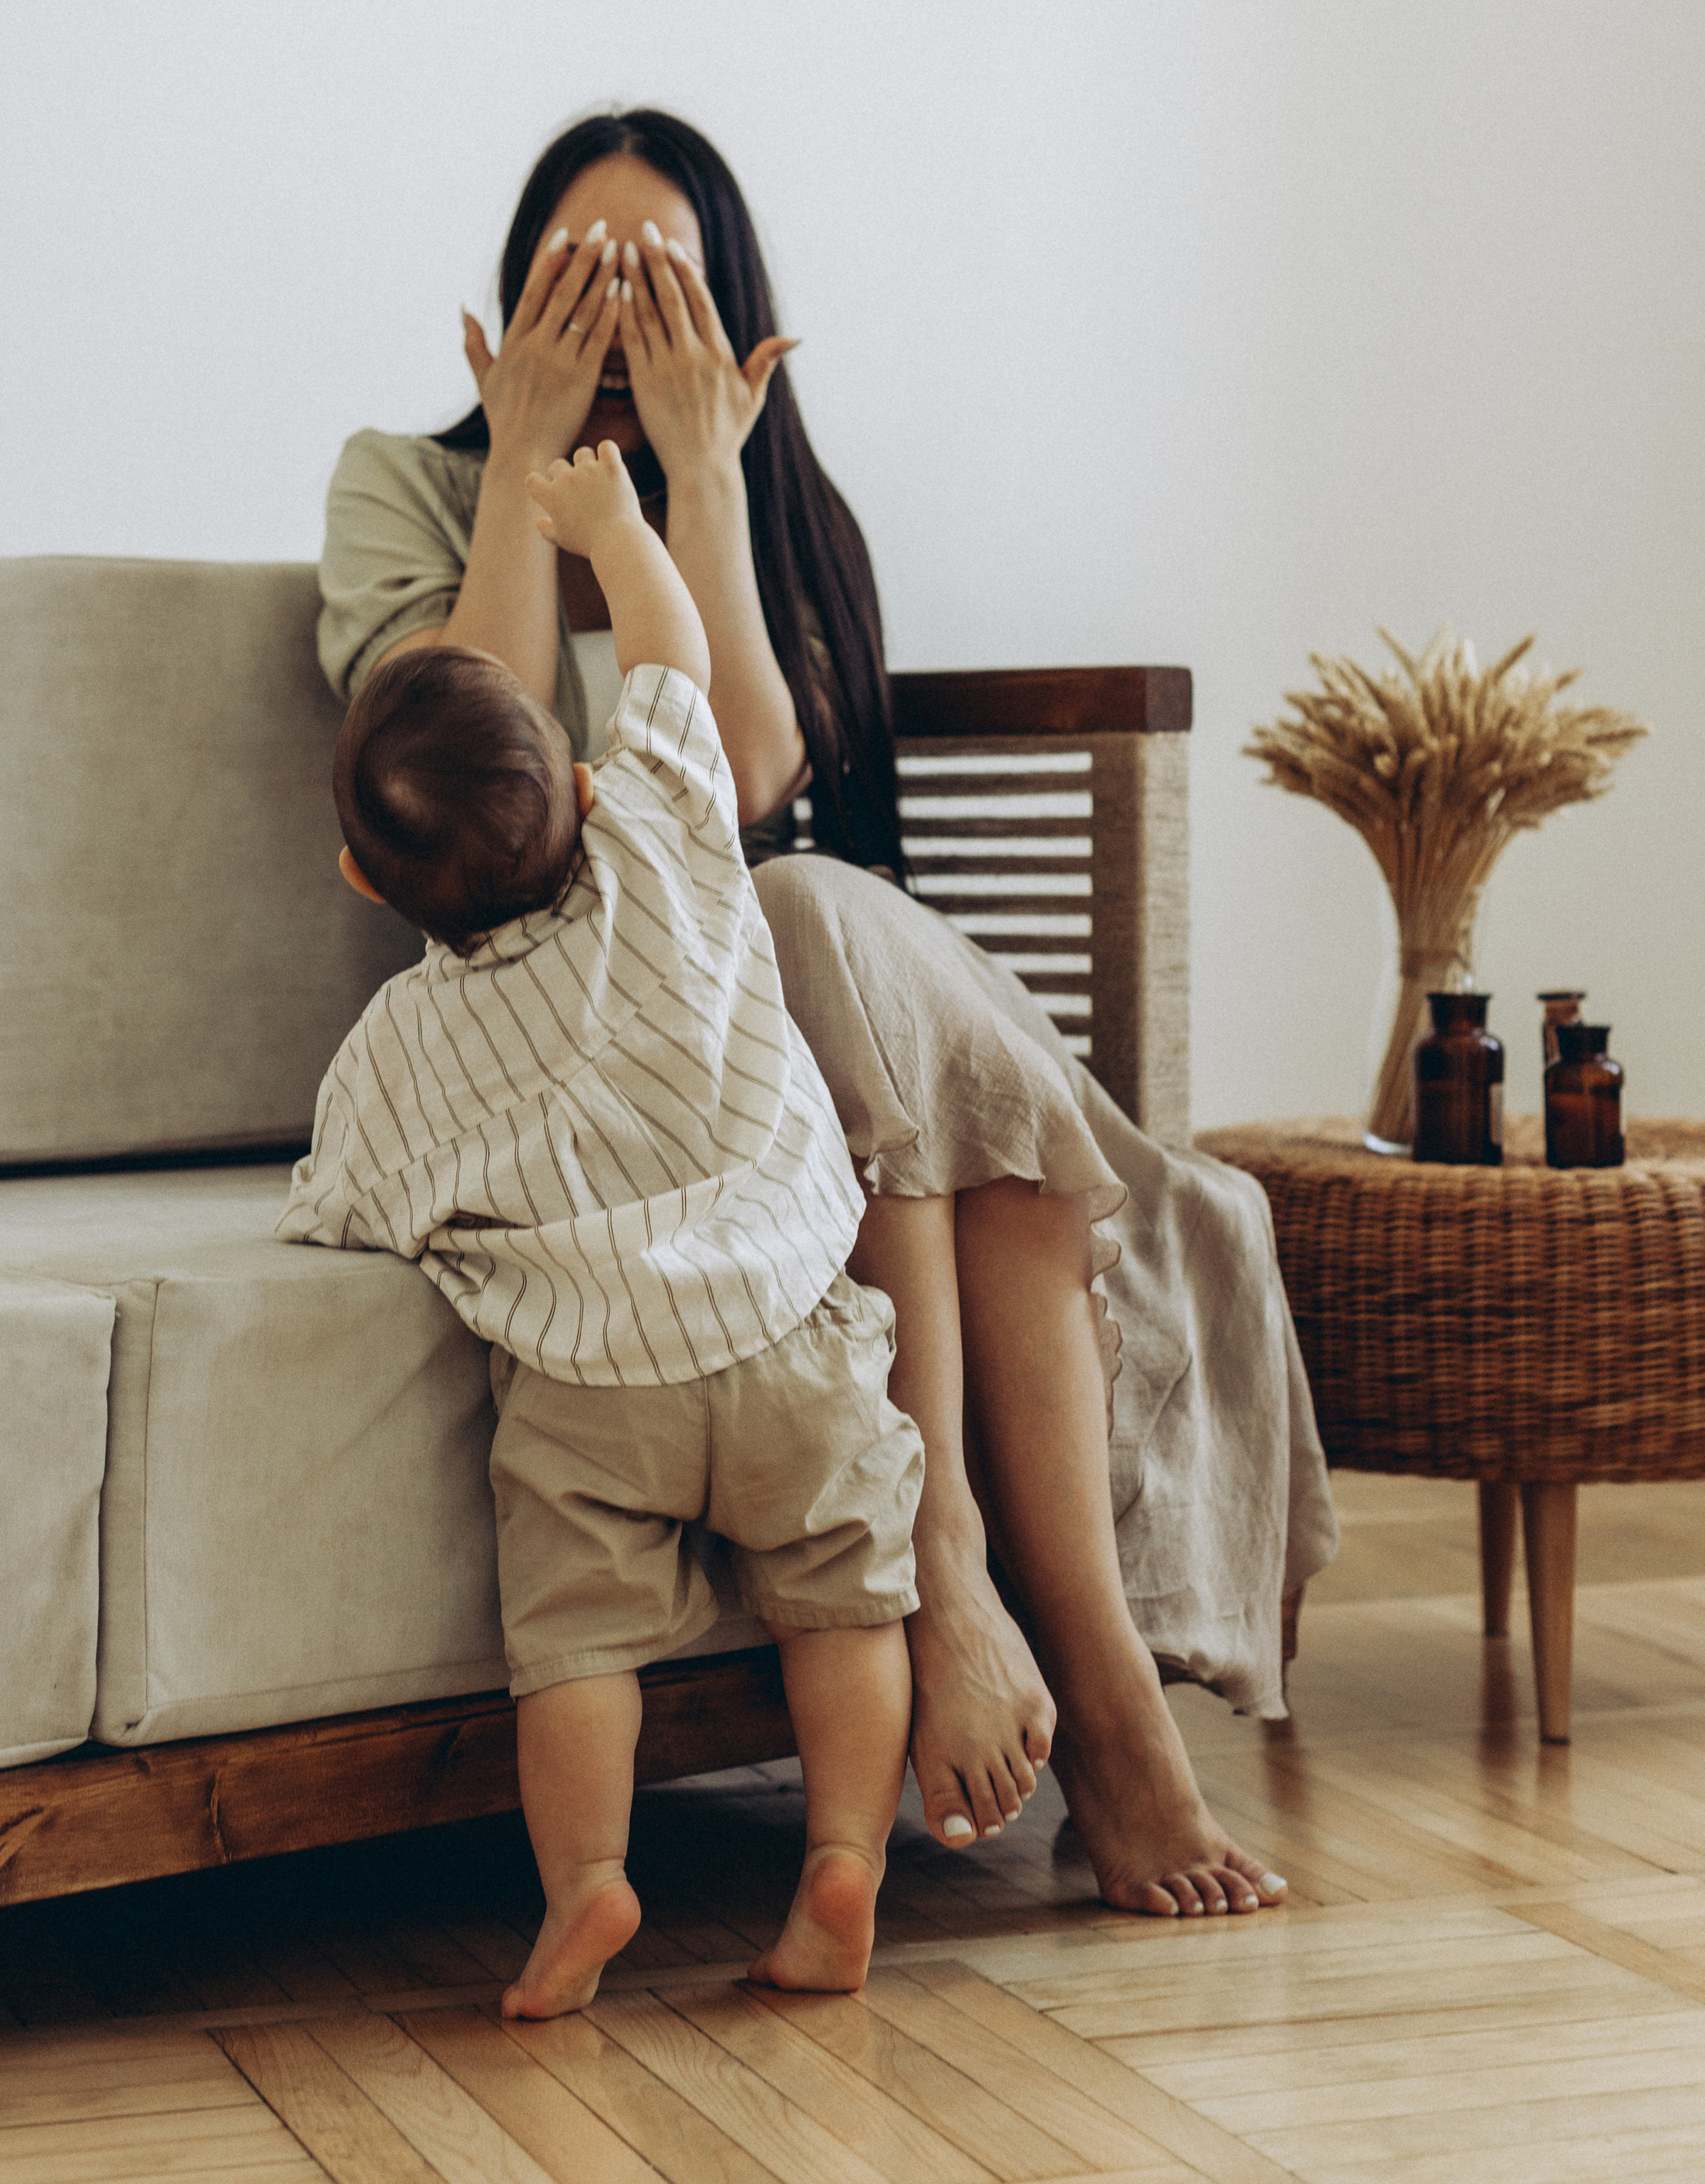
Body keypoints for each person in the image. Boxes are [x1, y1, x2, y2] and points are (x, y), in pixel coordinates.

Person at [318, 108, 1335, 1920]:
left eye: (663, 292)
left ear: (739, 326)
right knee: (825, 982)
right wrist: (528, 478)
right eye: (582, 282)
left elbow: (755, 780)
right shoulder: (399, 482)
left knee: (788, 905)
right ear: (507, 306)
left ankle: (1015, 1633)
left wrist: (702, 482)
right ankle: (1058, 1678)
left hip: (820, 983)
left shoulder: (774, 503)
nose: (623, 334)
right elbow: (495, 760)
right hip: (715, 1054)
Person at [280, 439, 945, 2015]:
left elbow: (348, 1206)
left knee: (572, 1648)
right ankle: (842, 1857)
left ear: (367, 883)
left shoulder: (395, 1047)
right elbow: (671, 660)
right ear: (582, 785)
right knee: (849, 1598)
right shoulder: (666, 844)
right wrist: (609, 524)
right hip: (791, 1336)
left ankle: (586, 1889)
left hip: (595, 1400)